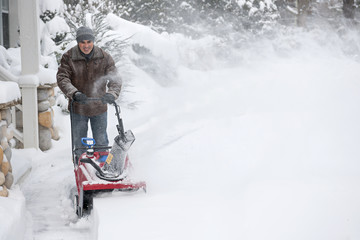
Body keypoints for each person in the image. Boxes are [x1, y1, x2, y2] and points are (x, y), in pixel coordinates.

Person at [57, 26, 121, 159]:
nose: (86, 45)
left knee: (101, 141)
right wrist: (74, 93)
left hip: (99, 106)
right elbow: (62, 78)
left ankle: (104, 166)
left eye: (89, 42)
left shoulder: (104, 57)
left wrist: (111, 94)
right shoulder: (69, 57)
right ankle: (81, 167)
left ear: (93, 41)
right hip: (78, 107)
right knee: (80, 142)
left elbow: (115, 79)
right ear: (78, 42)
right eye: (82, 42)